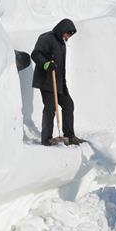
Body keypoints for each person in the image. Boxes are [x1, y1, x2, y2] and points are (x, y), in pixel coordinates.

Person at [31, 18, 81, 146]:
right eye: (68, 33)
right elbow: (36, 54)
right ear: (62, 30)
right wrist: (46, 64)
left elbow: (61, 67)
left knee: (68, 105)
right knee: (50, 108)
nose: (68, 37)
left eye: (70, 35)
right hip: (46, 81)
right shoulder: (46, 38)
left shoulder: (62, 44)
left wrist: (63, 83)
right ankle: (46, 139)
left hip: (59, 82)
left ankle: (69, 135)